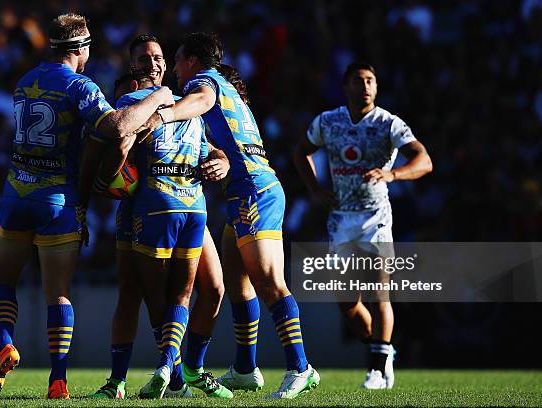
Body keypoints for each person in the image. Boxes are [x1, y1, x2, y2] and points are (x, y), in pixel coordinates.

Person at [0, 13, 173, 399]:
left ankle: (4, 343)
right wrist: (159, 96)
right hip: (58, 201)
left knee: (2, 282)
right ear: (80, 49)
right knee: (59, 294)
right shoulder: (79, 86)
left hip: (17, 193)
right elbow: (118, 126)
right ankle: (58, 380)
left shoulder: (24, 81)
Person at [143, 32, 320, 399]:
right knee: (238, 282)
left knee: (269, 281)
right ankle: (244, 367)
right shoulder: (229, 89)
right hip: (243, 192)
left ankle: (300, 367)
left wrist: (166, 115)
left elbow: (200, 100)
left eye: (177, 59)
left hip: (255, 191)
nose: (174, 68)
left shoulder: (205, 83)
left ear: (192, 60)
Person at [84, 35, 230, 399]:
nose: (153, 62)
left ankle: (173, 372)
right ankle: (171, 374)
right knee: (149, 295)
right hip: (180, 205)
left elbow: (121, 142)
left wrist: (101, 183)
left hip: (155, 204)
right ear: (133, 66)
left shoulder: (176, 104)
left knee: (161, 297)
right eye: (145, 57)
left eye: (159, 56)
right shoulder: (161, 102)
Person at [293, 62, 433, 389]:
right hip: (341, 219)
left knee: (378, 292)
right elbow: (301, 152)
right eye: (359, 80)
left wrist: (393, 174)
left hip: (376, 217)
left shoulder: (389, 123)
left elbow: (424, 160)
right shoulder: (328, 121)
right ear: (346, 87)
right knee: (347, 302)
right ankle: (383, 352)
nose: (366, 86)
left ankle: (376, 368)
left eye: (371, 80)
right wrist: (315, 190)